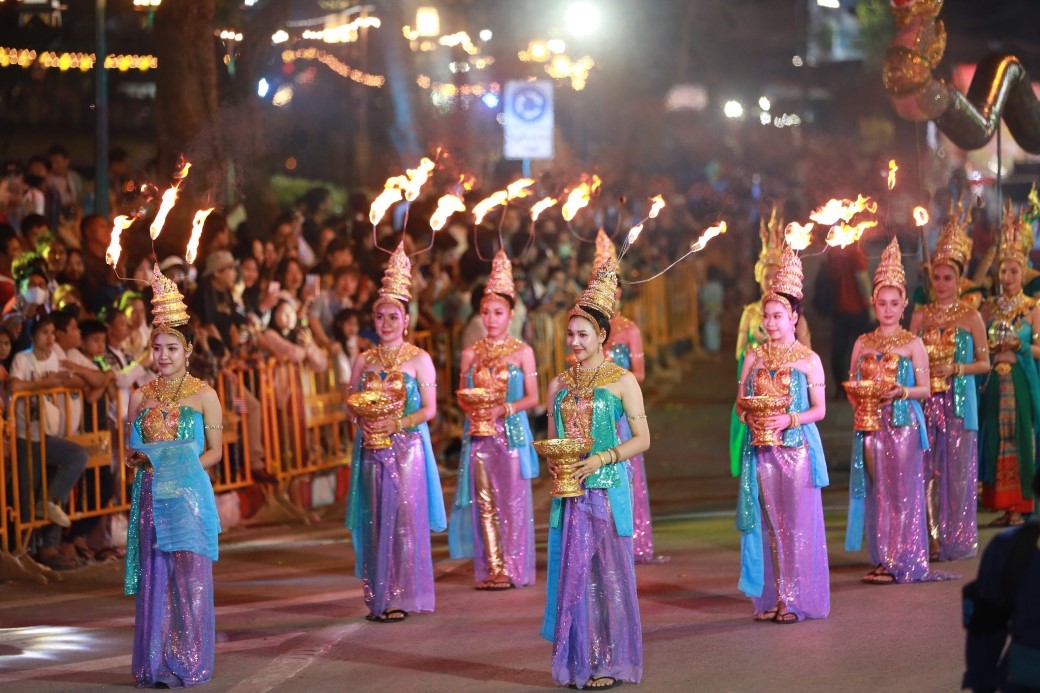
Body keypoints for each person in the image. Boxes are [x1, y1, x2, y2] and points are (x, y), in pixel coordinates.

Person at [541, 259, 649, 690]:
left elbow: (642, 439)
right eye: (570, 334)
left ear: (602, 335)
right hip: (570, 494)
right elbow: (553, 440)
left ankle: (608, 660)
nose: (575, 341)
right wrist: (557, 463)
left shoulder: (622, 381)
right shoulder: (558, 384)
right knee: (574, 577)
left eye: (582, 334)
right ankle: (578, 660)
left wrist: (601, 460)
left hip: (606, 491)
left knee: (609, 578)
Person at [124, 263, 223, 688]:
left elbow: (216, 452)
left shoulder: (206, 396)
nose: (162, 357)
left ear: (188, 351)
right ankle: (156, 663)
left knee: (190, 579)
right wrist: (139, 462)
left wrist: (181, 470)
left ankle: (190, 662)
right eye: (157, 348)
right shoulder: (139, 398)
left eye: (171, 349)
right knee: (156, 576)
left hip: (187, 497)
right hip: (149, 495)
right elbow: (130, 452)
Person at [345, 243, 446, 623]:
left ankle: (403, 594)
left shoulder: (420, 359)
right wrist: (363, 421)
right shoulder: (363, 359)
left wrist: (397, 424)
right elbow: (350, 402)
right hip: (371, 448)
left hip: (408, 449)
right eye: (380, 316)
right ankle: (378, 595)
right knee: (374, 519)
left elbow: (430, 411)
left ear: (406, 320)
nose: (386, 323)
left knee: (405, 518)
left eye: (394, 316)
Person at [845, 238, 949, 585]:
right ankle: (882, 558)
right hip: (872, 426)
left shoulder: (913, 343)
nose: (887, 309)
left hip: (904, 425)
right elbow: (852, 385)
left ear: (904, 305)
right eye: (881, 302)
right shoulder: (862, 342)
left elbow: (926, 388)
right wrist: (864, 406)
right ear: (873, 303)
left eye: (894, 303)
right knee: (879, 491)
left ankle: (904, 558)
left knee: (903, 492)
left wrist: (900, 392)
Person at [735, 246, 830, 623]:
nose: (771, 323)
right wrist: (751, 419)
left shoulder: (809, 359)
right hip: (760, 452)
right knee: (770, 526)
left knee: (797, 527)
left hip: (796, 451)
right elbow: (740, 402)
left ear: (793, 316)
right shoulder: (754, 356)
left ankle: (794, 600)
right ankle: (775, 597)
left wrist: (788, 421)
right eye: (767, 316)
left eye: (778, 316)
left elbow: (819, 410)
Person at [449, 250, 539, 590]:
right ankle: (494, 568)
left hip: (512, 432)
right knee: (484, 503)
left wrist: (504, 409)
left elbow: (533, 397)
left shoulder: (522, 351)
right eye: (485, 312)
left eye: (498, 312)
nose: (490, 318)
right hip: (480, 433)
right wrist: (476, 410)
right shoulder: (470, 353)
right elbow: (461, 394)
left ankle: (514, 567)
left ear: (511, 314)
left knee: (513, 502)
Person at [908, 216, 988, 561]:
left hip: (959, 401)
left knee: (957, 473)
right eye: (936, 277)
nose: (941, 284)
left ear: (960, 280)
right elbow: (909, 362)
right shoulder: (919, 316)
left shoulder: (972, 316)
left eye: (948, 278)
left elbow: (984, 365)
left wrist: (956, 368)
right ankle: (931, 538)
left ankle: (956, 536)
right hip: (927, 403)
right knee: (925, 472)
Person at [729, 210, 811, 477]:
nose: (771, 282)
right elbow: (738, 350)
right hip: (757, 381)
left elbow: (807, 353)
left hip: (788, 384)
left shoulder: (796, 319)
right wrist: (758, 348)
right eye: (767, 277)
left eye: (776, 277)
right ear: (758, 277)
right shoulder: (751, 312)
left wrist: (783, 347)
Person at [595, 230, 658, 564]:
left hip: (619, 413)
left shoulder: (629, 329)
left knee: (625, 473)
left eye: (609, 287)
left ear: (618, 292)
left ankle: (630, 539)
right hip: (590, 415)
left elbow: (640, 373)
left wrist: (614, 381)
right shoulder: (584, 330)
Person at [978, 205, 1040, 529]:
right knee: (997, 438)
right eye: (1003, 270)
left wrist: (1019, 347)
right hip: (994, 380)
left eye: (1014, 271)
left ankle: (1021, 505)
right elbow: (980, 345)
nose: (1007, 277)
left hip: (1019, 379)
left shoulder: (1033, 308)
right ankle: (1003, 504)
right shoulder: (989, 307)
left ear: (1024, 272)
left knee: (1019, 437)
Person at [963, 470, 1040, 692]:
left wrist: (982, 681)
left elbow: (985, 634)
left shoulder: (1009, 549)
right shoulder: (1010, 550)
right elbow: (985, 628)